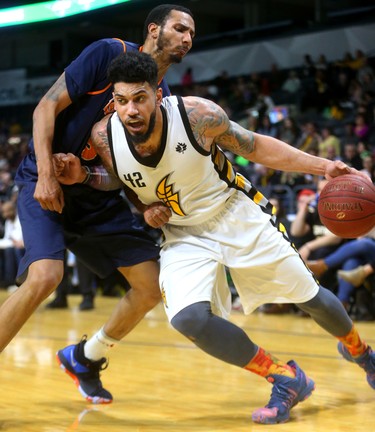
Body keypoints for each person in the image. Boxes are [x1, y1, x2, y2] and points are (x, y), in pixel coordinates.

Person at [56, 51, 375, 425]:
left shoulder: (197, 115)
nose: (131, 111)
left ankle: (361, 351)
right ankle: (285, 378)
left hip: (235, 214)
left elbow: (254, 145)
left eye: (140, 99)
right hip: (182, 233)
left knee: (310, 297)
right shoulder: (104, 135)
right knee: (189, 319)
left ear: (157, 96)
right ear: (113, 101)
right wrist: (94, 181)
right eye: (122, 101)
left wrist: (324, 166)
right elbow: (122, 178)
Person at [2, 4, 195, 404]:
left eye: (192, 33)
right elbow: (44, 108)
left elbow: (125, 174)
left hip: (95, 198)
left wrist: (142, 205)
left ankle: (85, 359)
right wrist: (46, 175)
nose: (188, 38)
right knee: (44, 277)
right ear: (154, 30)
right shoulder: (108, 52)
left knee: (149, 287)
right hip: (47, 181)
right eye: (180, 28)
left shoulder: (164, 102)